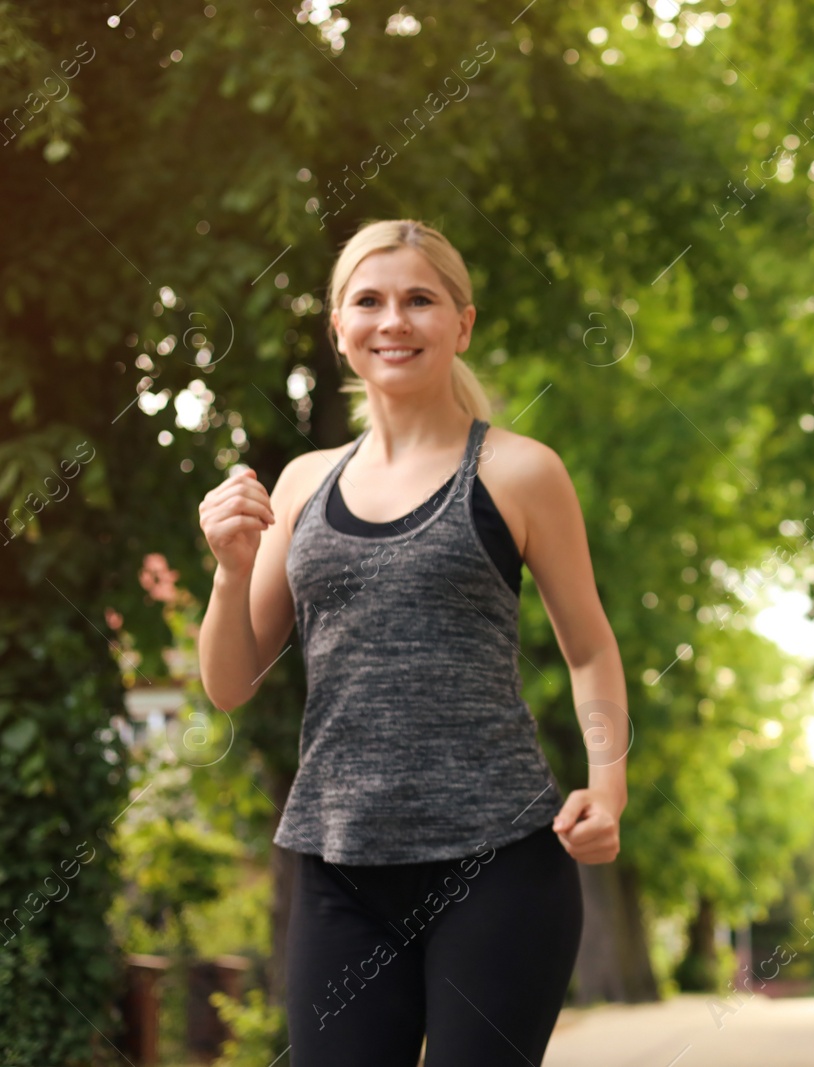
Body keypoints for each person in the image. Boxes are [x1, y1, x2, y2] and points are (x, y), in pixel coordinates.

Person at [197, 219, 629, 1066]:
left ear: (461, 325)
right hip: (339, 865)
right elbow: (230, 682)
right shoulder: (302, 483)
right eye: (370, 301)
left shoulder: (517, 471)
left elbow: (589, 649)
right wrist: (227, 569)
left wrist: (607, 787)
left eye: (419, 300)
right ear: (339, 330)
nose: (393, 320)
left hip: (498, 863)